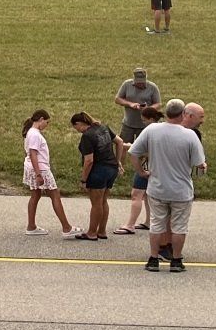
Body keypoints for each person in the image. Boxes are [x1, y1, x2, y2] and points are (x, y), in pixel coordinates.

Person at [131, 98, 208, 273]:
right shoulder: (190, 135)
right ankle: (176, 259)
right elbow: (199, 163)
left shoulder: (152, 130)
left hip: (157, 188)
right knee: (179, 227)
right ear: (182, 114)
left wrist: (142, 172)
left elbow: (134, 152)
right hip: (181, 191)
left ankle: (153, 258)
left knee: (157, 224)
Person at [22, 109, 73, 236]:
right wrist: (38, 174)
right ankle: (66, 227)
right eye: (47, 122)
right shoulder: (34, 134)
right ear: (40, 119)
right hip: (41, 169)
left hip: (33, 167)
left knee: (35, 195)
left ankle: (31, 226)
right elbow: (33, 153)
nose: (47, 125)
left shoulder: (31, 132)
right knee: (55, 195)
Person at [69, 111, 118, 241]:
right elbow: (119, 142)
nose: (77, 130)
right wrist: (118, 161)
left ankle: (91, 232)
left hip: (98, 171)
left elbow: (89, 161)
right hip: (112, 168)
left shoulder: (87, 136)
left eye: (76, 128)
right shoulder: (104, 127)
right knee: (103, 201)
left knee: (96, 203)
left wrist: (83, 180)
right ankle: (102, 231)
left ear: (79, 123)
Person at [119, 103, 161, 234]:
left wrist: (127, 147)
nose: (143, 123)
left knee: (136, 194)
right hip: (158, 168)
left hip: (147, 166)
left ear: (151, 119)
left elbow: (142, 152)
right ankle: (149, 221)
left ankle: (130, 225)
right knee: (147, 195)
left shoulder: (150, 131)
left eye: (144, 120)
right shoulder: (163, 129)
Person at [115, 66, 159, 150]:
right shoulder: (126, 85)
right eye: (138, 82)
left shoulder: (152, 87)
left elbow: (158, 103)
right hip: (128, 123)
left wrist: (148, 109)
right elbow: (117, 99)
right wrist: (130, 104)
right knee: (123, 146)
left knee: (143, 148)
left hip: (144, 125)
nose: (140, 84)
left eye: (142, 82)